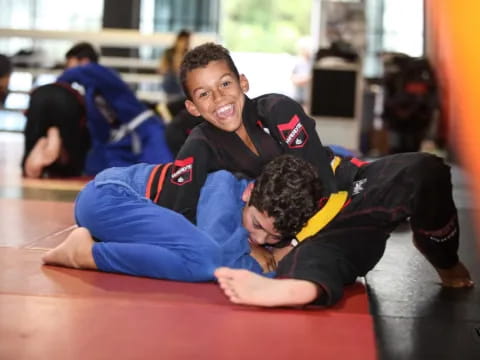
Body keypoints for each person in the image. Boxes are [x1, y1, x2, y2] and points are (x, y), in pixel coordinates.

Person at [166, 42, 472, 307]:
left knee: (426, 170)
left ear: (242, 82)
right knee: (313, 260)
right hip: (312, 234)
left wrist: (294, 243)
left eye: (225, 84)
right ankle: (292, 289)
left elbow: (323, 186)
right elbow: (178, 212)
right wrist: (249, 245)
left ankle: (445, 259)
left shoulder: (276, 110)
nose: (219, 99)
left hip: (347, 190)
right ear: (192, 107)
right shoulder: (199, 145)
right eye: (204, 94)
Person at [42, 155, 322, 281]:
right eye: (257, 225)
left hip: (114, 212)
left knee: (198, 256)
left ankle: (92, 247)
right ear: (249, 192)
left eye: (274, 237)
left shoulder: (260, 217)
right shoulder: (222, 185)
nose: (259, 239)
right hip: (109, 197)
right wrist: (265, 271)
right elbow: (219, 256)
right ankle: (86, 254)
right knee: (205, 258)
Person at [54, 42, 173, 176]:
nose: (67, 67)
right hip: (122, 140)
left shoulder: (101, 73)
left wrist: (55, 87)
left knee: (161, 175)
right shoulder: (91, 92)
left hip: (146, 131)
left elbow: (77, 72)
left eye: (70, 63)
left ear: (84, 60)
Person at [22, 83, 90, 178]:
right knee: (71, 144)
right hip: (67, 101)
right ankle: (70, 171)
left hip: (39, 97)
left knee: (33, 138)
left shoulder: (41, 91)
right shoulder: (77, 96)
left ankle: (28, 167)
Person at [158, 29, 191, 104]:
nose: (184, 44)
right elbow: (162, 69)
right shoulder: (168, 52)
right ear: (178, 40)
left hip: (181, 83)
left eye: (186, 42)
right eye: (182, 41)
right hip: (171, 83)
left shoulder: (188, 54)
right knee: (170, 76)